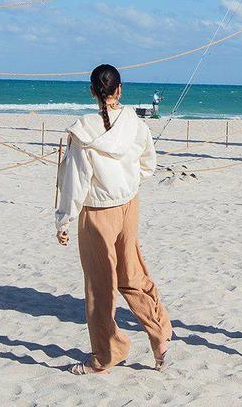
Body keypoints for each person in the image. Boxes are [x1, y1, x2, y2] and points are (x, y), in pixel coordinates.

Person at [55, 64, 172, 374]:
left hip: (97, 212)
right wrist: (131, 181)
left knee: (100, 285)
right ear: (119, 90)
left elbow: (77, 181)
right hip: (128, 205)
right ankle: (159, 335)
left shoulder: (84, 130)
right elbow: (149, 162)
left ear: (93, 91)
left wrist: (63, 220)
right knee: (132, 273)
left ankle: (107, 354)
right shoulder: (135, 122)